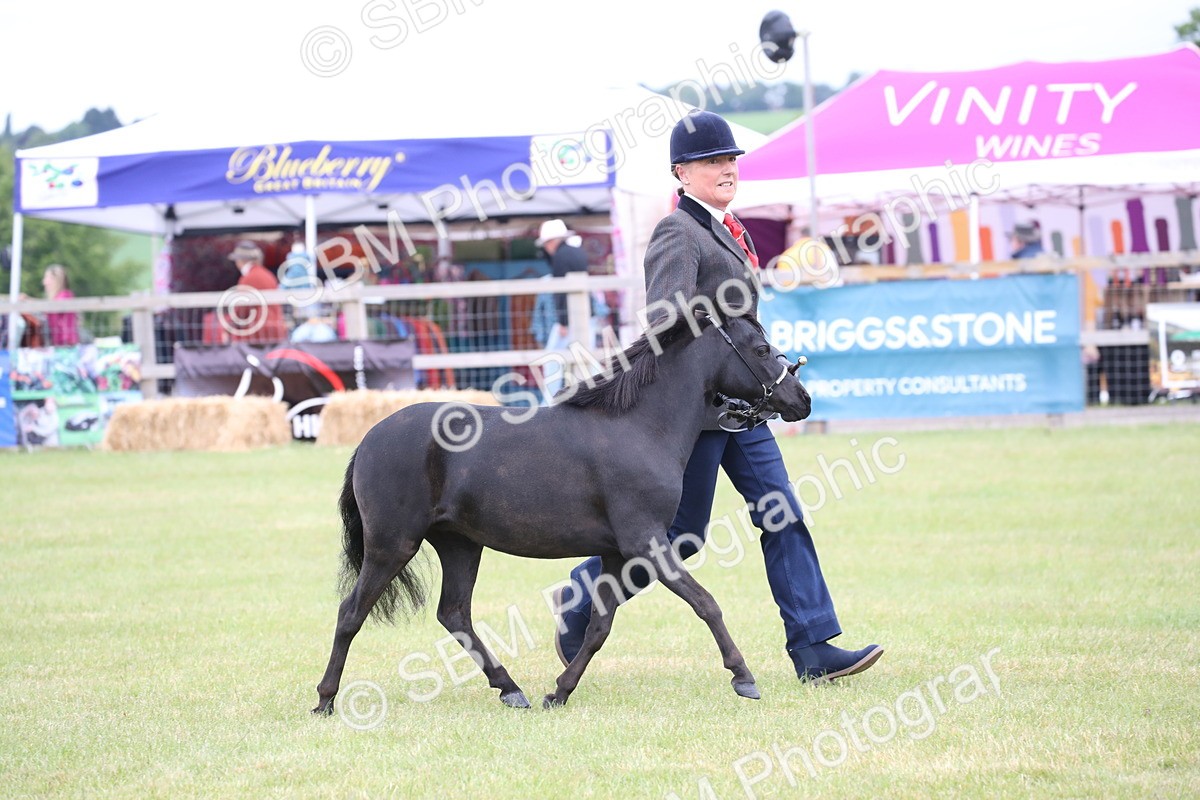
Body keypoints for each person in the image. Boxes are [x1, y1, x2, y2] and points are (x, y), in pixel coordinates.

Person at [551, 109, 884, 684]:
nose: (727, 168)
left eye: (730, 159)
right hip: (695, 415)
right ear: (682, 173)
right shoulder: (677, 232)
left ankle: (813, 647)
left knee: (782, 515)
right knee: (681, 536)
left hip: (744, 411)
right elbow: (663, 320)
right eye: (713, 161)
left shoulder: (733, 229)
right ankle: (581, 595)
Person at [535, 219, 589, 398]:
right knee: (582, 360)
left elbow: (561, 293)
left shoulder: (560, 257)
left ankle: (549, 401)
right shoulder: (578, 253)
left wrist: (563, 322)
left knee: (552, 358)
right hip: (585, 315)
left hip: (570, 318)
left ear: (550, 242)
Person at [227, 240, 286, 342]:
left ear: (240, 261)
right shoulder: (268, 275)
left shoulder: (249, 278)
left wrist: (229, 326)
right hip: (274, 329)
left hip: (258, 333)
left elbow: (241, 309)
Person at [40, 264, 80, 346]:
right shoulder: (57, 298)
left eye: (47, 278)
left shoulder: (65, 296)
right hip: (58, 343)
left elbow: (52, 306)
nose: (44, 282)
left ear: (56, 280)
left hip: (67, 343)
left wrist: (29, 301)